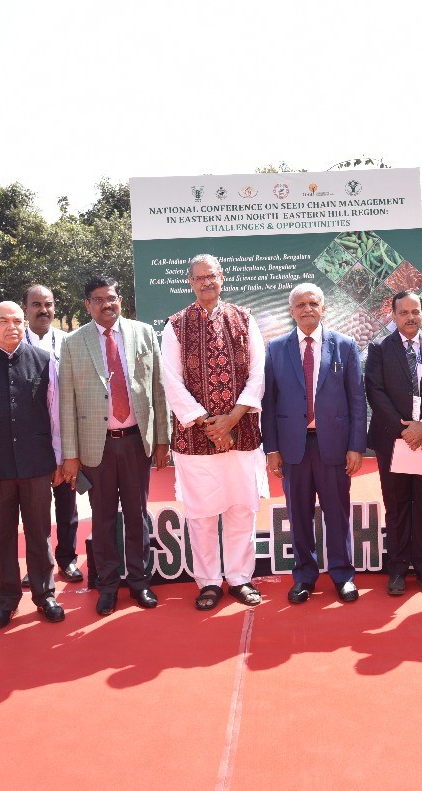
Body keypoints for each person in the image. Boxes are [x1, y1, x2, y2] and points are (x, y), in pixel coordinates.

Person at [161, 254, 268, 611]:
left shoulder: (244, 318)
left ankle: (239, 577)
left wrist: (232, 420)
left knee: (241, 509)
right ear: (190, 283)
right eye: (199, 278)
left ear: (222, 278)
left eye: (212, 276)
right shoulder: (176, 325)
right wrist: (210, 424)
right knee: (203, 515)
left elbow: (258, 373)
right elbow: (171, 381)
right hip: (195, 438)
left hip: (242, 435)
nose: (206, 282)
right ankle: (208, 581)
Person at [59, 277, 170, 615]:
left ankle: (139, 582)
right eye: (98, 300)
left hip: (137, 441)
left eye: (112, 298)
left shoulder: (144, 333)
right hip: (97, 447)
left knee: (137, 516)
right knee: (104, 519)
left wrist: (163, 439)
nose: (107, 305)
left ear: (120, 300)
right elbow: (66, 402)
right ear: (87, 305)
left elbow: (158, 390)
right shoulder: (73, 343)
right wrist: (71, 456)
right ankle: (107, 586)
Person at [0, 301, 66, 629]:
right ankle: (6, 599)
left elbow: (55, 415)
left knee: (39, 533)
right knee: (2, 535)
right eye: (3, 321)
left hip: (36, 465)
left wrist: (58, 459)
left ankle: (45, 594)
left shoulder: (44, 361)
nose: (12, 327)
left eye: (17, 321)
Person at [264, 283, 367, 605]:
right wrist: (272, 449)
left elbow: (356, 400)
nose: (307, 309)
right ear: (291, 311)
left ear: (323, 308)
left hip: (334, 446)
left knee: (337, 513)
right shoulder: (276, 348)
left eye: (313, 303)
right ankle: (304, 576)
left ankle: (342, 575)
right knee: (299, 515)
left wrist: (356, 446)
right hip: (294, 447)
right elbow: (269, 402)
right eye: (300, 305)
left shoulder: (345, 346)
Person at [365, 290, 422, 597]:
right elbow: (375, 391)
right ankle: (397, 568)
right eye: (403, 312)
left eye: (415, 311)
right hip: (393, 440)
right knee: (397, 505)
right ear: (393, 315)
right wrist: (404, 430)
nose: (410, 317)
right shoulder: (379, 347)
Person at [23, 284, 83, 585]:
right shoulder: (15, 346)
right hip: (30, 441)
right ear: (25, 309)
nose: (43, 310)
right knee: (34, 510)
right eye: (36, 304)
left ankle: (67, 559)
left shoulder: (69, 342)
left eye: (48, 304)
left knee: (67, 506)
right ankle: (37, 563)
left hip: (68, 437)